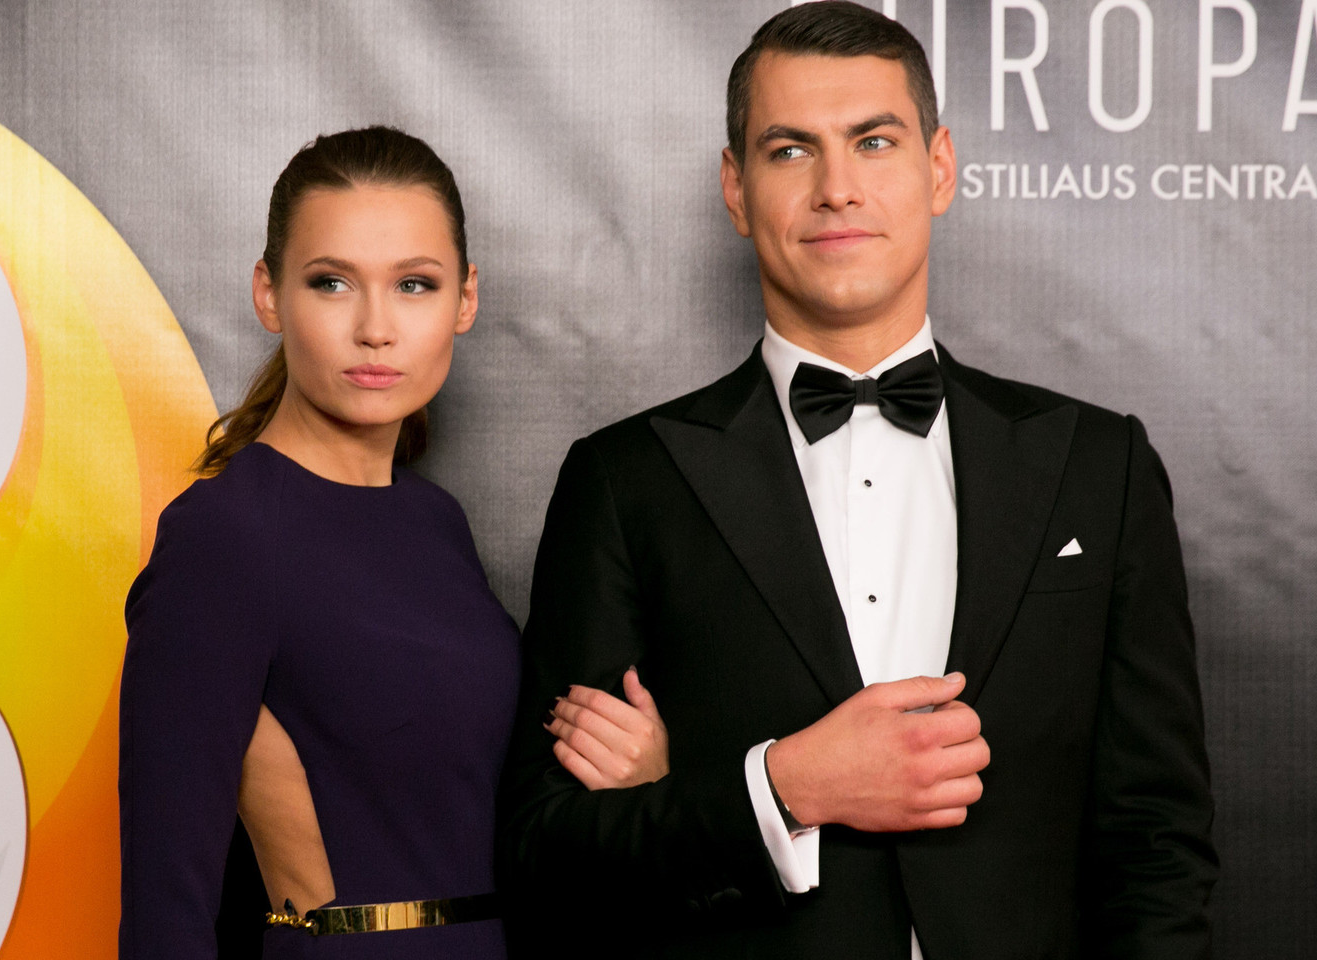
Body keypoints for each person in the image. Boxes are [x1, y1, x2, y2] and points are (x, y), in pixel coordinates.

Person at [501, 4, 1218, 958]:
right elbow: (546, 859)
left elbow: (1158, 844)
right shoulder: (626, 482)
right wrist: (783, 787)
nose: (836, 188)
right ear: (735, 189)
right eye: (790, 150)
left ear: (939, 168)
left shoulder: (1099, 465)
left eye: (873, 142)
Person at [118, 126, 667, 960]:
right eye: (331, 283)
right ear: (269, 294)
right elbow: (167, 911)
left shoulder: (436, 521)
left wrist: (640, 778)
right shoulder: (225, 534)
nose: (376, 328)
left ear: (465, 299)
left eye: (414, 284)